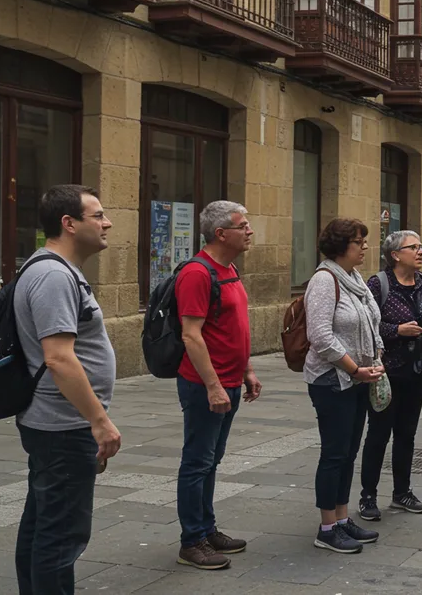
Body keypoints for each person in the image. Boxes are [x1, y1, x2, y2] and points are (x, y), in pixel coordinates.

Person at [15, 185, 121, 595]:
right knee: (62, 536)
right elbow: (58, 357)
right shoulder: (53, 275)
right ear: (69, 224)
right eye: (97, 215)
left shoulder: (53, 270)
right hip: (63, 425)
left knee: (44, 523)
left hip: (56, 422)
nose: (107, 222)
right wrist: (99, 421)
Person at [174, 201, 263, 570]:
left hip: (229, 380)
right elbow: (191, 336)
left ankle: (207, 529)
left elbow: (234, 328)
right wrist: (212, 386)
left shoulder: (229, 269)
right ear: (220, 233)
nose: (250, 231)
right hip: (204, 384)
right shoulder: (198, 273)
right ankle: (191, 541)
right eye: (243, 225)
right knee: (197, 461)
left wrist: (247, 370)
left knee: (212, 460)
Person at [303, 218, 383, 553]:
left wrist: (377, 358)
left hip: (358, 378)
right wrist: (355, 368)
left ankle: (342, 517)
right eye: (358, 242)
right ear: (341, 246)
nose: (364, 247)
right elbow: (320, 336)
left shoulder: (355, 279)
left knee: (349, 452)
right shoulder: (324, 280)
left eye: (364, 241)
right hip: (332, 380)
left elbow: (371, 321)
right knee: (334, 453)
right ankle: (326, 528)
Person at [358, 230, 422, 521]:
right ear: (395, 255)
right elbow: (366, 329)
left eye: (421, 246)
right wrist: (397, 331)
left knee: (406, 435)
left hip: (415, 372)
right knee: (378, 435)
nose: (420, 252)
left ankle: (402, 493)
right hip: (385, 373)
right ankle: (368, 496)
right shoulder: (378, 284)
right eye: (413, 247)